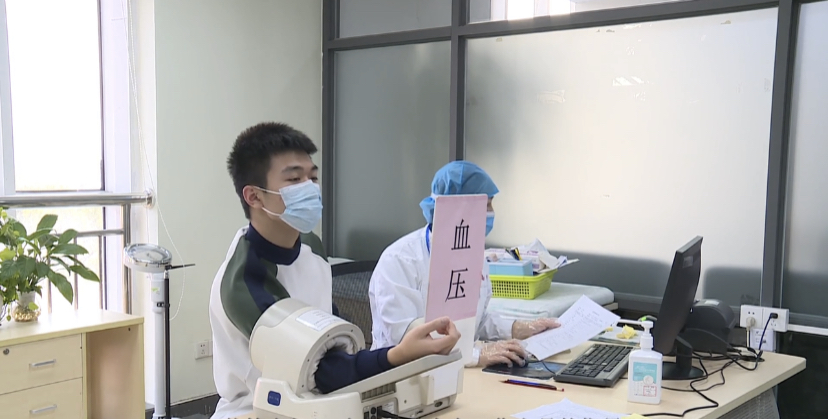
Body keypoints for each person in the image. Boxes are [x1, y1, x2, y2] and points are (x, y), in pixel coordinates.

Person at [209, 122, 461, 419]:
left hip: (321, 404)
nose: (310, 188)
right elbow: (321, 372)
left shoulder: (310, 247)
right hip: (255, 411)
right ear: (254, 196)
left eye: (313, 177)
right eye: (295, 179)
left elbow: (333, 339)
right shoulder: (243, 281)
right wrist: (401, 353)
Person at [369, 161, 559, 368]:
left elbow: (474, 321)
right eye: (486, 205)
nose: (492, 213)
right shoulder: (400, 260)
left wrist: (518, 328)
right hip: (404, 375)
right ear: (458, 208)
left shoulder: (472, 254)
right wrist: (476, 355)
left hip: (456, 370)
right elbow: (406, 341)